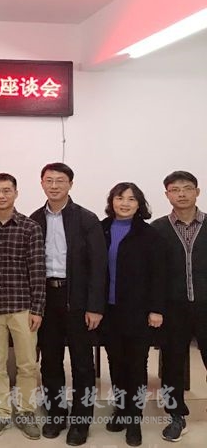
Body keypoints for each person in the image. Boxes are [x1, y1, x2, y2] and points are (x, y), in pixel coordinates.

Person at [29, 162, 106, 447]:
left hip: (78, 300)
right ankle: (56, 414)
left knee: (83, 363)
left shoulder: (86, 219)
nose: (54, 186)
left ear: (70, 184)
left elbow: (99, 266)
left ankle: (81, 421)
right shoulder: (35, 219)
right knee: (49, 361)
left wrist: (95, 306)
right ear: (41, 184)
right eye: (49, 180)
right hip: (46, 298)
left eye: (60, 180)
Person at [100, 182, 166, 447]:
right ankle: (120, 408)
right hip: (108, 310)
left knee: (137, 365)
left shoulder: (149, 234)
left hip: (138, 311)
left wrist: (156, 309)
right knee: (116, 363)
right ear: (112, 201)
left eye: (131, 199)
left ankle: (134, 418)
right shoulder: (101, 229)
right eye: (120, 198)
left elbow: (159, 275)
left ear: (139, 204)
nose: (125, 203)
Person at [0, 173, 45, 440]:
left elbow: (37, 270)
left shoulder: (30, 227)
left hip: (22, 307)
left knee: (27, 364)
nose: (1, 195)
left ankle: (26, 411)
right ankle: (0, 412)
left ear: (16, 193)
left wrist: (38, 308)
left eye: (6, 190)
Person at [152, 170, 207, 443]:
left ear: (197, 191)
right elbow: (152, 273)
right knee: (172, 364)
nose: (181, 194)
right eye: (175, 190)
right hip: (173, 309)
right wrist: (155, 308)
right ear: (167, 195)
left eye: (187, 188)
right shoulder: (158, 229)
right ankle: (176, 416)